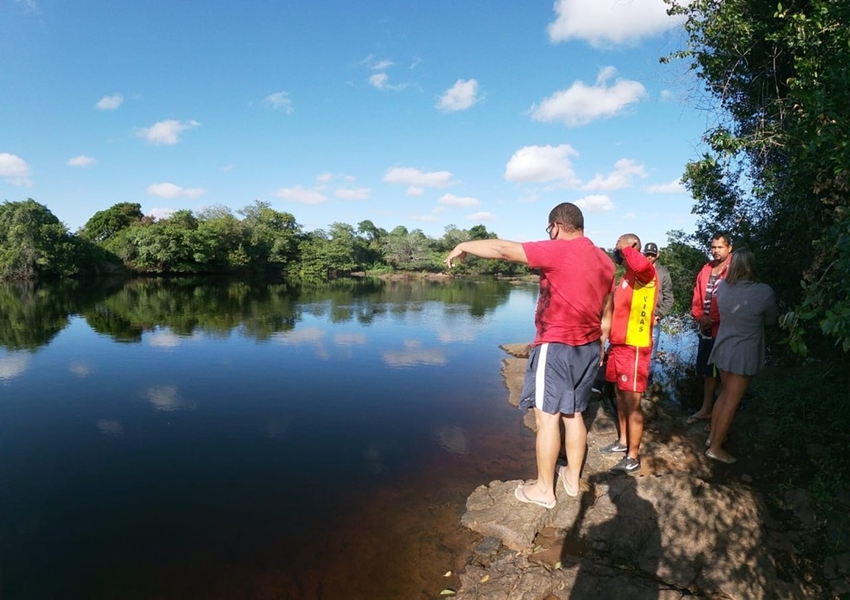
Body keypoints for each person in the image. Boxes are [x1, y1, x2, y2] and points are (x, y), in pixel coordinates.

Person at [444, 202, 615, 508]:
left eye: (549, 230)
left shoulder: (560, 249)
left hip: (557, 344)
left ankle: (544, 490)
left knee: (546, 417)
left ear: (557, 226)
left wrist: (463, 245)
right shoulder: (605, 260)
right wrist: (601, 343)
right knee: (574, 414)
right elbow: (607, 310)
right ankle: (572, 480)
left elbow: (503, 249)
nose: (548, 235)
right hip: (588, 347)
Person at [705, 248, 777, 463]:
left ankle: (711, 438)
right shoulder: (764, 292)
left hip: (723, 348)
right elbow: (771, 320)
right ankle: (716, 448)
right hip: (743, 354)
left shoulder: (724, 288)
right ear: (751, 266)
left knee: (724, 394)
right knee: (731, 401)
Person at [601, 233, 657, 474]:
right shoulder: (624, 279)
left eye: (619, 247)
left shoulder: (646, 275)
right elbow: (610, 312)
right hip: (618, 346)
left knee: (633, 402)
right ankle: (622, 441)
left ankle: (633, 456)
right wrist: (603, 343)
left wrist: (627, 247)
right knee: (619, 394)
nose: (616, 251)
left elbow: (642, 262)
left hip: (635, 348)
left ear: (632, 248)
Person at [687, 233, 733, 425]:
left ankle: (719, 416)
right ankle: (706, 409)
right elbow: (697, 296)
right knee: (707, 371)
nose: (715, 251)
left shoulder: (734, 269)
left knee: (724, 373)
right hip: (706, 329)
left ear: (729, 248)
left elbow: (735, 300)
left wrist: (714, 319)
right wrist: (699, 316)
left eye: (720, 247)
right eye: (713, 247)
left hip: (724, 330)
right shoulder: (706, 268)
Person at [642, 242, 674, 384]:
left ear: (657, 255)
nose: (649, 257)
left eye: (652, 255)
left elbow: (669, 299)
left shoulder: (663, 273)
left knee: (651, 354)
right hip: (638, 317)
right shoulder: (639, 270)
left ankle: (648, 382)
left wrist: (659, 315)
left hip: (654, 319)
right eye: (647, 254)